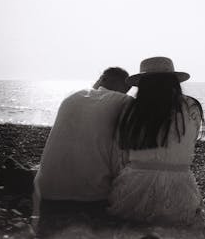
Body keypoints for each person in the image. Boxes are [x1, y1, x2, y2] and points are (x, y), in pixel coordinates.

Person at [108, 57, 205, 227]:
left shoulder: (131, 109)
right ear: (174, 81)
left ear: (143, 84)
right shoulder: (191, 105)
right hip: (179, 191)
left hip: (132, 194)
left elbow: (122, 148)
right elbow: (189, 143)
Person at [33, 67, 132, 235]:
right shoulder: (124, 102)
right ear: (126, 87)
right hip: (90, 197)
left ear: (102, 79)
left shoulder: (71, 97)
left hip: (47, 192)